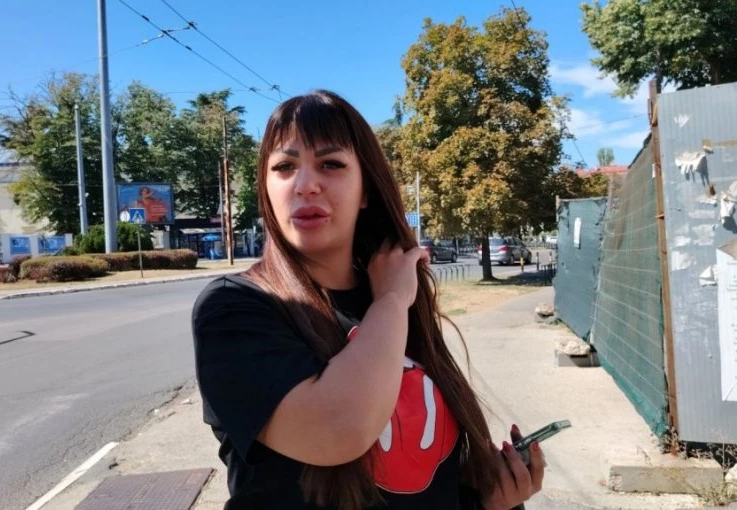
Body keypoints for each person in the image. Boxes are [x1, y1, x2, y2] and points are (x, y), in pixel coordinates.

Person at [191, 90, 545, 510]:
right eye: (284, 167)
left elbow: (430, 484)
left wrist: (491, 499)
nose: (305, 185)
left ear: (365, 190)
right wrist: (392, 300)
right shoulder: (234, 308)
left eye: (331, 164)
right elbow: (338, 430)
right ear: (266, 190)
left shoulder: (395, 297)